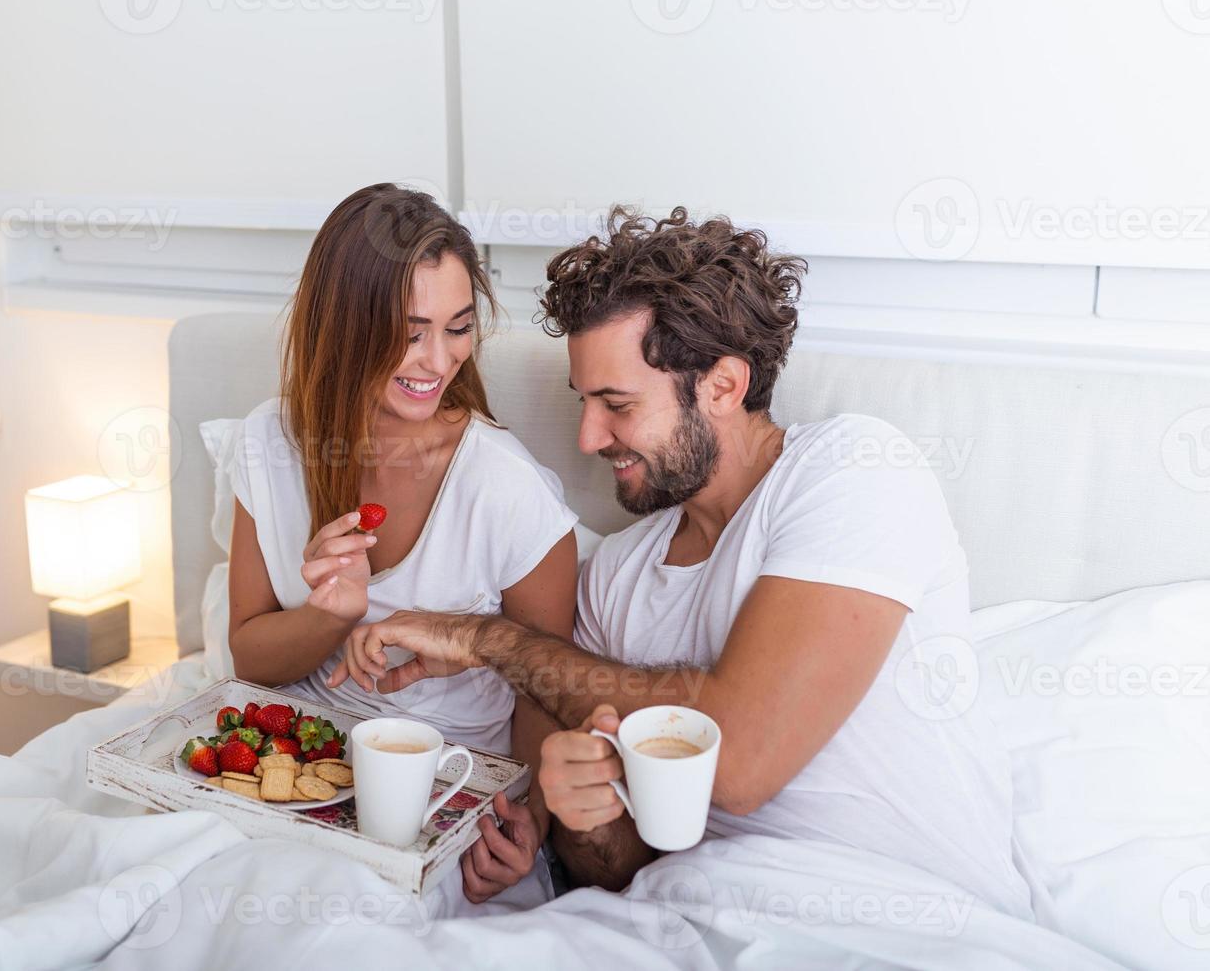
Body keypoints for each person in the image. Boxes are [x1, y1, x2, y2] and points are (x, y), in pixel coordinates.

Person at [329, 206, 1034, 918]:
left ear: (723, 387)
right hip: (688, 920)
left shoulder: (851, 470)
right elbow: (620, 869)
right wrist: (585, 818)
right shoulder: (615, 579)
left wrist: (488, 639)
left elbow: (740, 763)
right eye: (584, 402)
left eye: (617, 404)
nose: (586, 436)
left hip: (902, 916)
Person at [225, 182, 578, 908]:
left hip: (435, 798)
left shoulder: (507, 491)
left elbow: (550, 687)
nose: (436, 359)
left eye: (456, 326)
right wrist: (330, 613)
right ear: (344, 324)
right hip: (289, 767)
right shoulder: (270, 443)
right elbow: (250, 656)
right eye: (410, 329)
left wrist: (531, 823)